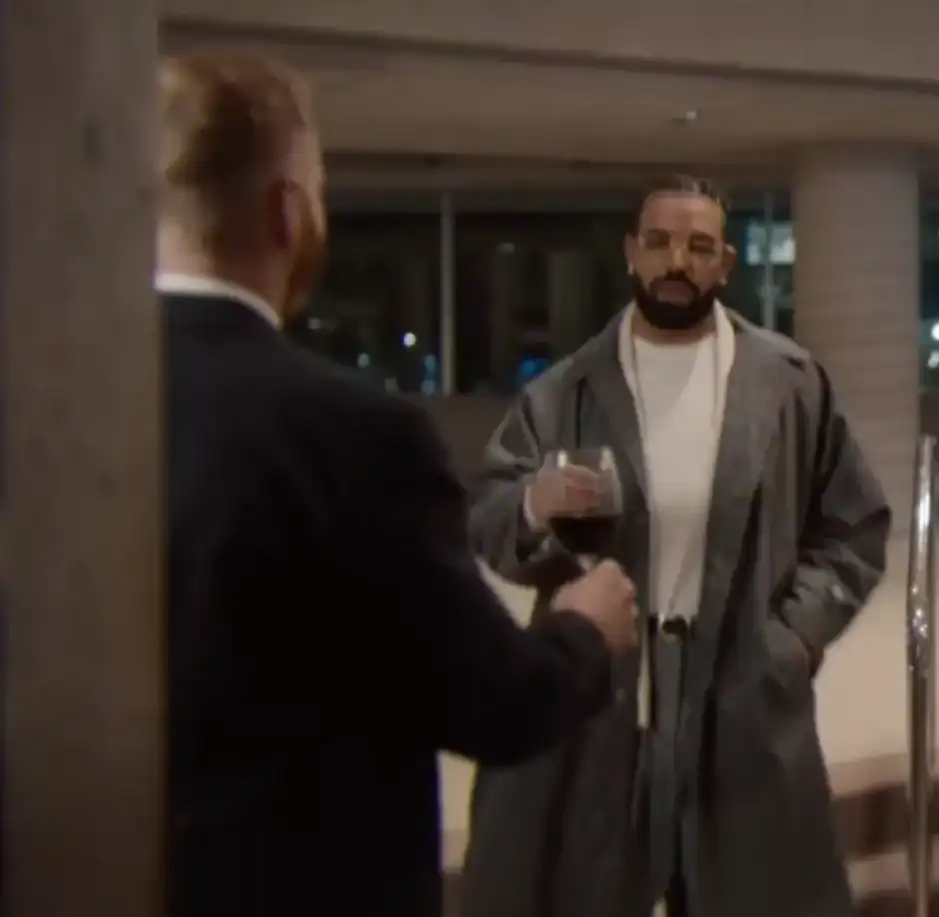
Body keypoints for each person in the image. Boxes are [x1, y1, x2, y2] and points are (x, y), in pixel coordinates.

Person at [158, 52, 641, 917]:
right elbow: (494, 702)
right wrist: (584, 631)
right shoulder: (354, 435)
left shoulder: (46, 407)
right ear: (287, 212)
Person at [459, 174, 891, 917]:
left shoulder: (789, 384)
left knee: (752, 891)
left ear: (726, 263)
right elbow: (490, 517)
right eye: (659, 243)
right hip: (603, 687)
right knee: (580, 885)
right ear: (632, 252)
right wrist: (535, 502)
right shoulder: (566, 389)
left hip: (741, 682)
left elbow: (854, 523)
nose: (676, 262)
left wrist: (794, 637)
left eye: (699, 246)